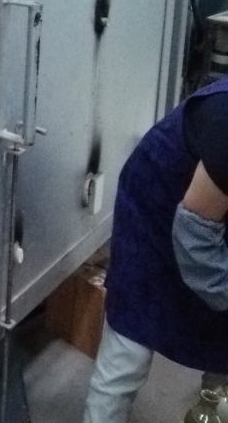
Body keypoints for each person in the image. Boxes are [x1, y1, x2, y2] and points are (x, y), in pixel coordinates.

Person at [83, 78, 228, 422]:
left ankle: (213, 403)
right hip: (155, 215)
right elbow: (196, 241)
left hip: (213, 216)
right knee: (129, 345)